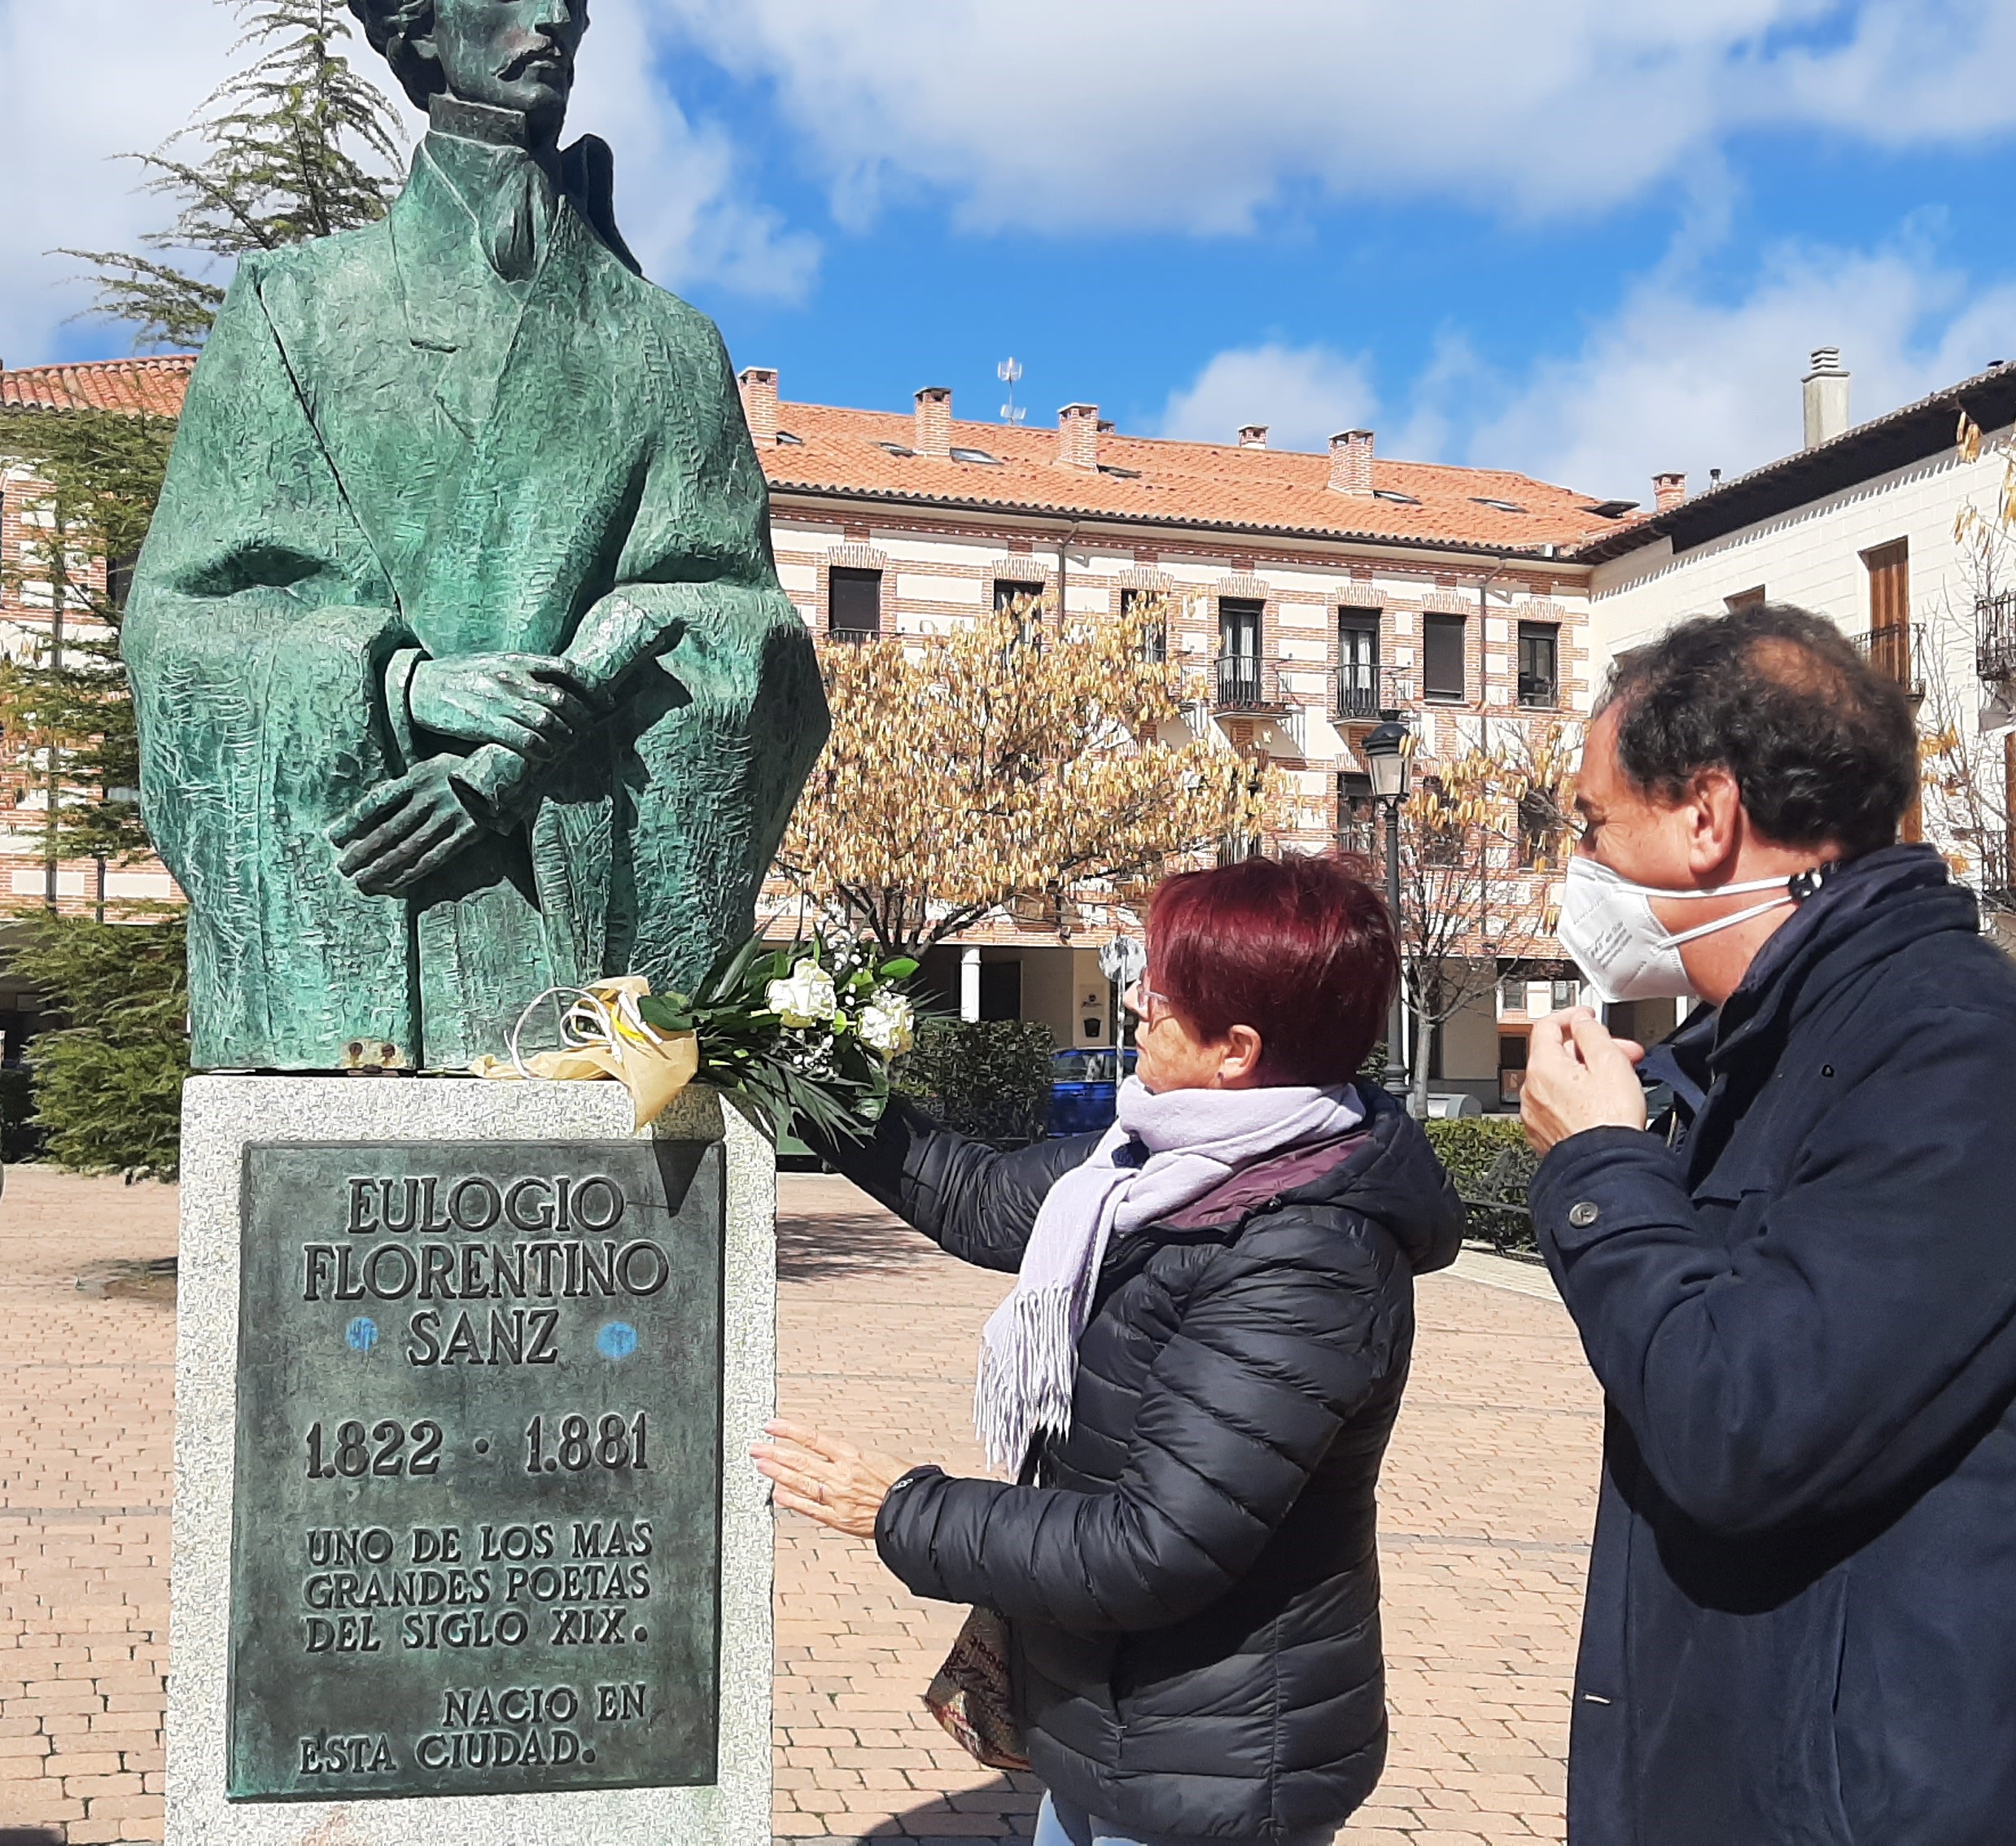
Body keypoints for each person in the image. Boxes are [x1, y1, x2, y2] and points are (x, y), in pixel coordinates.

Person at [123, 0, 825, 1071]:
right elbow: (184, 625)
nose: (552, 17)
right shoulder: (290, 311)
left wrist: (506, 768)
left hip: (575, 965)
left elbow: (747, 641)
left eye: (576, 1)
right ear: (420, 25)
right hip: (371, 928)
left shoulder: (670, 347)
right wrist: (399, 691)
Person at [755, 855, 1462, 1846]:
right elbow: (975, 1195)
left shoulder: (1308, 1253)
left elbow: (1154, 1545)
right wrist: (804, 1065)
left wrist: (899, 1509)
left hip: (1211, 1753)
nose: (1134, 1001)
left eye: (1164, 993)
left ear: (1236, 1050)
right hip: (1117, 1722)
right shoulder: (1148, 1166)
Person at [1521, 604, 2016, 1844]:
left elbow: (1744, 1420)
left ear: (1705, 815)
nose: (1577, 872)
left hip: (1851, 1805)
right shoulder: (1758, 1045)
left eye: (1592, 826)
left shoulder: (1949, 1050)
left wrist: (1596, 1165)